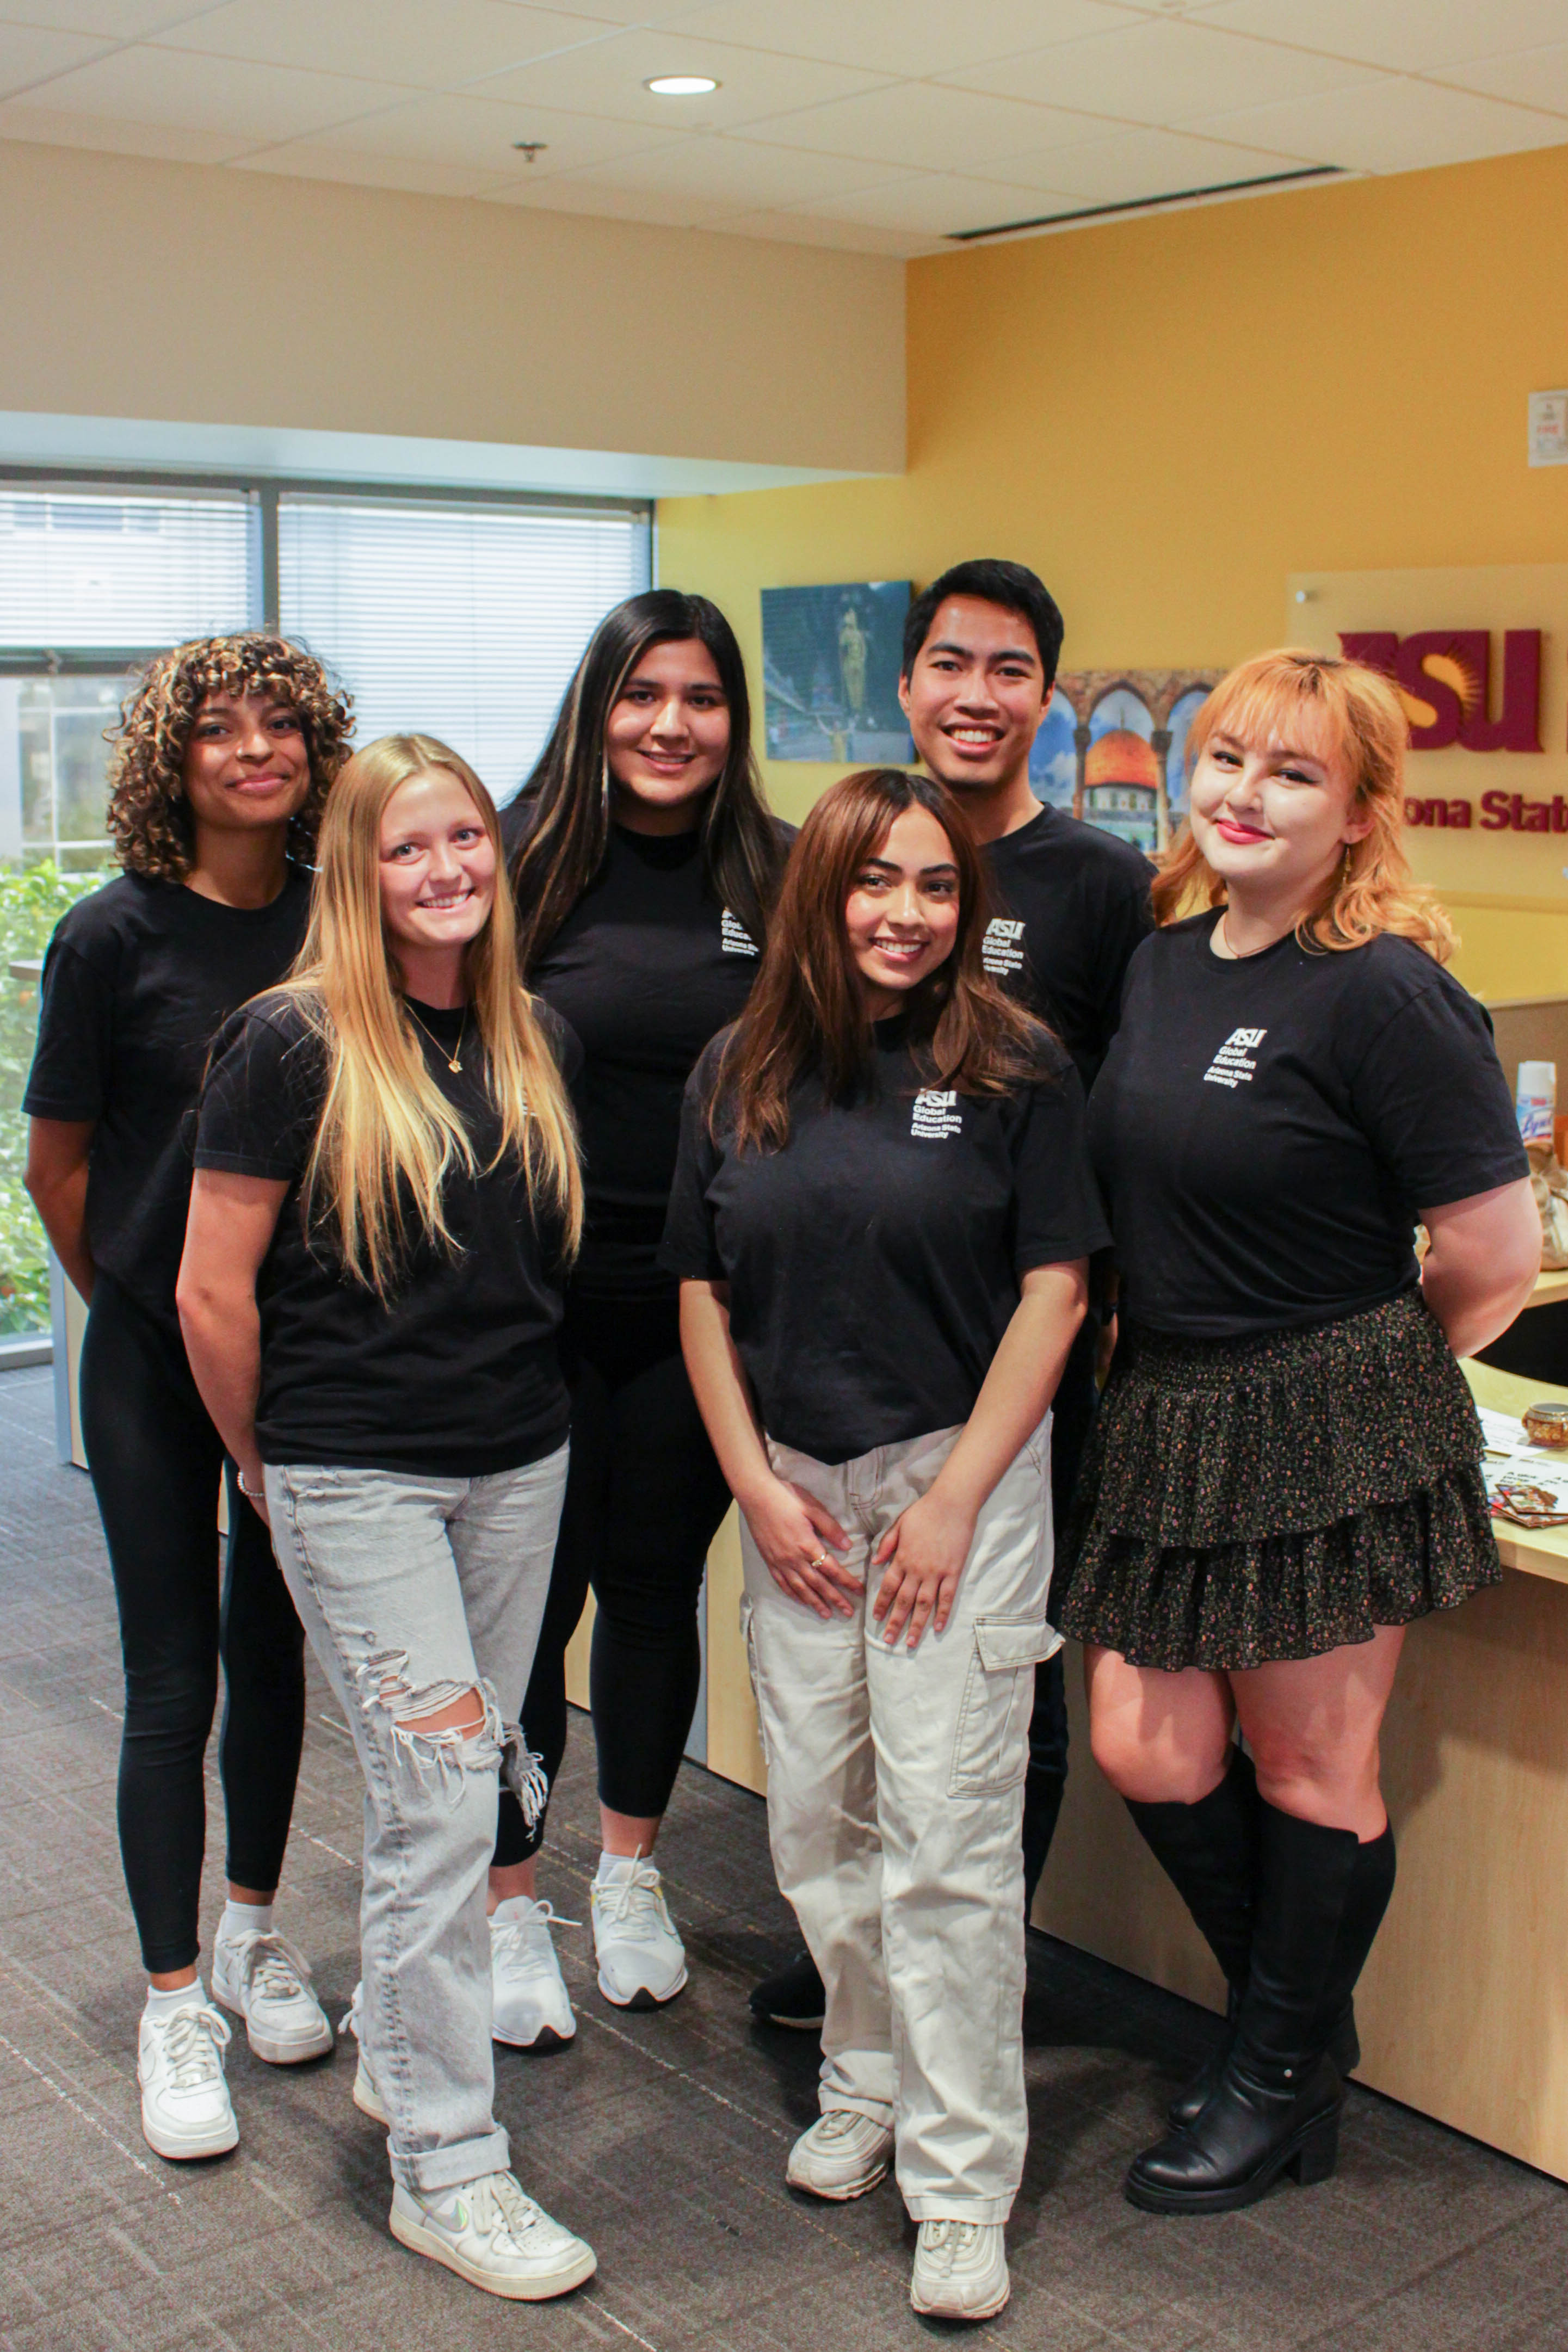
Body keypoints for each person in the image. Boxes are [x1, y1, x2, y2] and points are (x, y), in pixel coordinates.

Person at [1055, 650, 1539, 2215]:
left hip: (1321, 1401)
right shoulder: (1163, 957)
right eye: (1227, 760)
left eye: (1293, 773)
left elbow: (1490, 1255)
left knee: (1309, 1764)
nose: (1245, 796)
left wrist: (1374, 1383)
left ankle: (1266, 2074)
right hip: (1165, 1403)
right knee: (1146, 1741)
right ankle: (1303, 2036)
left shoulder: (1385, 985)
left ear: (1358, 812)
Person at [665, 768, 1108, 2320]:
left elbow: (1056, 1293)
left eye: (934, 885)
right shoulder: (741, 1066)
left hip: (955, 1489)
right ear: (818, 894)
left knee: (947, 1843)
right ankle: (862, 2071)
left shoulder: (1017, 1067)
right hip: (792, 1489)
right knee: (815, 1824)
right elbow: (701, 1293)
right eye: (873, 881)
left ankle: (960, 2173)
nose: (905, 912)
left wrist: (948, 1500)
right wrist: (755, 1484)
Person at [177, 735, 596, 2300]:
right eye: (410, 849)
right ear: (357, 872)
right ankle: (447, 2166)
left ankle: (403, 2063)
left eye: (467, 842)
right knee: (431, 1808)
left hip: (516, 1461)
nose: (447, 874)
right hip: (356, 1470)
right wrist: (268, 1471)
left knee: (472, 1788)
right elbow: (211, 1292)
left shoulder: (527, 1027)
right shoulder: (287, 1044)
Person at [751, 557, 1151, 2030]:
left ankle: (982, 1956)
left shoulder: (1104, 885)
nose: (976, 696)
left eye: (1009, 670)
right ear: (906, 683)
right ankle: (867, 1966)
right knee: (842, 1681)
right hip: (856, 1336)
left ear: (1046, 696)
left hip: (1029, 1333)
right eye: (949, 664)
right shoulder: (845, 844)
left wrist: (1103, 1294)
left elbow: (1129, 1104)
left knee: (998, 1669)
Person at [23, 635, 351, 2162]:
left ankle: (251, 1931)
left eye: (279, 727)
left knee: (272, 1650)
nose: (252, 752)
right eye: (217, 731)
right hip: (158, 1361)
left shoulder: (340, 922)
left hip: (314, 1359)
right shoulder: (107, 935)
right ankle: (172, 2001)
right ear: (174, 762)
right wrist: (146, 1308)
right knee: (172, 1677)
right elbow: (59, 1166)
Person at [492, 589, 788, 2038]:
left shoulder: (781, 875)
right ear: (596, 703)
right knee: (525, 1617)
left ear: (734, 720)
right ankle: (502, 1898)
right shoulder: (513, 857)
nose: (669, 724)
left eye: (700, 697)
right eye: (640, 693)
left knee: (656, 1593)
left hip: (699, 1310)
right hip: (528, 1306)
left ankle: (625, 1870)